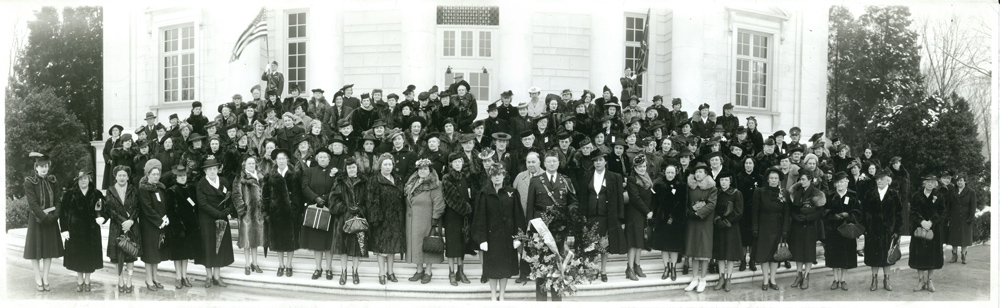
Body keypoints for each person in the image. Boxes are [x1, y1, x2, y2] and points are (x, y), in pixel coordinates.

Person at [526, 150, 578, 301]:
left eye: (554, 161)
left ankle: (557, 299)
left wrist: (570, 212)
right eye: (548, 161)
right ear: (543, 163)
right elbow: (530, 207)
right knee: (540, 264)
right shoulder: (536, 181)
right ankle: (541, 300)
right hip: (540, 226)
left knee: (558, 262)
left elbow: (574, 201)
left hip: (560, 228)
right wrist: (529, 230)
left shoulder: (565, 180)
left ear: (559, 163)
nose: (551, 163)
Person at [473, 162, 526, 301]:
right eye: (494, 175)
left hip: (508, 238)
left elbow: (518, 216)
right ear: (490, 177)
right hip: (491, 238)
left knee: (504, 269)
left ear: (504, 176)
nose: (497, 178)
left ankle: (501, 295)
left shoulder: (512, 193)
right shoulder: (484, 193)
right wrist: (482, 239)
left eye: (500, 175)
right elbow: (479, 218)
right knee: (492, 269)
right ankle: (492, 295)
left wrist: (518, 237)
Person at [579, 149, 626, 281]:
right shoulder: (587, 176)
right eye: (595, 161)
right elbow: (583, 198)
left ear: (605, 161)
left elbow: (620, 199)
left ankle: (603, 270)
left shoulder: (614, 177)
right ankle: (593, 269)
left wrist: (620, 217)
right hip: (591, 216)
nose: (598, 163)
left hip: (607, 216)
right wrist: (582, 216)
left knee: (604, 244)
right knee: (592, 244)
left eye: (600, 160)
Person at [22, 152, 64, 292]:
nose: (44, 169)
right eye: (41, 166)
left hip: (51, 220)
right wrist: (44, 217)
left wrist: (55, 216)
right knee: (36, 250)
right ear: (36, 168)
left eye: (46, 166)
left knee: (48, 250)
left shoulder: (53, 180)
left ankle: (46, 277)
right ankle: (37, 278)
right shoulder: (29, 182)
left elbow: (58, 200)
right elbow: (32, 203)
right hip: (37, 220)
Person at [59, 169, 104, 292]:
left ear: (89, 179)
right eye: (80, 178)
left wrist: (102, 217)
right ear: (77, 180)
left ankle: (88, 281)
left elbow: (104, 208)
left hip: (91, 231)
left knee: (90, 256)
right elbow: (63, 213)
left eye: (85, 178)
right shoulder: (69, 194)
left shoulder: (97, 194)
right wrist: (64, 229)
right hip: (75, 231)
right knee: (78, 256)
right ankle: (79, 281)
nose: (83, 180)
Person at [403, 159, 447, 284]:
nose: (422, 171)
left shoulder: (435, 184)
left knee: (428, 245)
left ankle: (428, 271)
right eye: (420, 169)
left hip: (428, 219)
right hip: (412, 220)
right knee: (416, 245)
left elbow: (439, 202)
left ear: (430, 171)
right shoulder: (412, 183)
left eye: (425, 169)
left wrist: (435, 219)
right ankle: (419, 270)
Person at [196, 158, 237, 288]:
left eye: (214, 169)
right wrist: (218, 214)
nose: (213, 171)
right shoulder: (201, 183)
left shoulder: (224, 181)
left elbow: (230, 199)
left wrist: (228, 210)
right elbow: (202, 204)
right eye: (210, 169)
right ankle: (208, 277)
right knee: (208, 247)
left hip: (222, 218)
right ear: (205, 171)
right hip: (207, 220)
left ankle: (217, 277)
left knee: (220, 247)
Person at [299, 149, 338, 280]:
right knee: (316, 242)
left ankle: (329, 268)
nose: (322, 159)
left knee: (328, 242)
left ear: (329, 159)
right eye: (320, 157)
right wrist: (316, 198)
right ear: (316, 159)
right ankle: (318, 268)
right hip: (314, 209)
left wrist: (325, 198)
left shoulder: (334, 172)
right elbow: (304, 187)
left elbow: (336, 187)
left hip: (329, 209)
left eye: (325, 157)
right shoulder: (309, 171)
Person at [367, 153, 407, 285]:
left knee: (392, 247)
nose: (388, 167)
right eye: (385, 164)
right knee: (381, 248)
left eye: (390, 164)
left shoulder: (398, 179)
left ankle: (391, 272)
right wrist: (375, 219)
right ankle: (381, 273)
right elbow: (372, 200)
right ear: (380, 166)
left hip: (396, 218)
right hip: (381, 219)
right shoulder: (375, 180)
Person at [262, 148, 301, 277]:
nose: (281, 161)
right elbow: (265, 196)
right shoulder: (269, 176)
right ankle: (281, 265)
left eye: (283, 158)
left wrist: (296, 210)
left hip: (290, 214)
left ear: (287, 160)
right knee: (278, 241)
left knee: (291, 241)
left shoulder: (294, 175)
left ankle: (289, 265)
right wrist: (266, 213)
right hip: (276, 214)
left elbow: (298, 196)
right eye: (279, 158)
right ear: (275, 161)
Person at [862, 170, 902, 291]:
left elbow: (899, 214)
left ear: (887, 180)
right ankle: (874, 280)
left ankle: (887, 280)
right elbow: (864, 212)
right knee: (874, 257)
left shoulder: (894, 194)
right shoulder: (870, 194)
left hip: (888, 231)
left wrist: (897, 231)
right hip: (873, 231)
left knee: (887, 257)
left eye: (881, 179)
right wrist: (866, 229)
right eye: (877, 179)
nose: (878, 181)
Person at [786, 172, 826, 290]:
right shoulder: (796, 191)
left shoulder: (816, 193)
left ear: (810, 180)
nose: (801, 182)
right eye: (800, 179)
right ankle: (798, 276)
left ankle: (807, 276)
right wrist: (795, 216)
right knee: (798, 252)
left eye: (803, 179)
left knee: (808, 253)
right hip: (797, 226)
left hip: (810, 226)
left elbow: (820, 211)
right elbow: (792, 208)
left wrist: (807, 217)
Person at [753, 167, 791, 291]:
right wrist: (755, 227)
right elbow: (755, 211)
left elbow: (786, 212)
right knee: (764, 254)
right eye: (771, 178)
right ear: (767, 180)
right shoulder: (760, 192)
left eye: (776, 178)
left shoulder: (784, 193)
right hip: (764, 226)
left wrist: (785, 229)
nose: (773, 180)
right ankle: (765, 279)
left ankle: (773, 280)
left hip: (778, 226)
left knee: (775, 255)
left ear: (779, 180)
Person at [682, 163, 718, 293]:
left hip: (705, 222)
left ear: (706, 174)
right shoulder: (690, 187)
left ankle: (703, 279)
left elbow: (712, 204)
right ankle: (694, 278)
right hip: (692, 222)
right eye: (696, 172)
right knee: (693, 251)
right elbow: (685, 202)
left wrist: (699, 214)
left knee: (703, 252)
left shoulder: (712, 188)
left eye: (701, 172)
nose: (698, 174)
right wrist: (689, 212)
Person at [164, 164, 200, 289]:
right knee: (178, 254)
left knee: (185, 254)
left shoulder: (190, 188)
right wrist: (178, 228)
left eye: (184, 175)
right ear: (176, 177)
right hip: (178, 228)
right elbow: (171, 211)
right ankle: (178, 277)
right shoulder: (171, 190)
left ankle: (185, 276)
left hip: (189, 227)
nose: (183, 178)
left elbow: (194, 207)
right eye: (180, 176)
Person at [136, 159, 170, 291]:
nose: (156, 176)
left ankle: (155, 278)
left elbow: (163, 205)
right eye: (153, 174)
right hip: (149, 226)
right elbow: (147, 209)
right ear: (148, 174)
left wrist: (166, 217)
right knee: (150, 254)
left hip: (160, 225)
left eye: (158, 174)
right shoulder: (144, 189)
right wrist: (159, 221)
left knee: (157, 253)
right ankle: (148, 279)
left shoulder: (160, 188)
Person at [440, 153, 474, 286]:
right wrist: (467, 208)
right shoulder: (447, 178)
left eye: (460, 161)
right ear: (451, 164)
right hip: (452, 216)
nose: (458, 164)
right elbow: (452, 197)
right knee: (452, 245)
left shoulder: (466, 177)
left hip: (464, 217)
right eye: (455, 162)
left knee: (462, 244)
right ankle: (452, 272)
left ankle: (461, 271)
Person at [909, 174, 946, 292]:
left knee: (932, 257)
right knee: (919, 256)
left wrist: (931, 222)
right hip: (919, 230)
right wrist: (921, 221)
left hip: (933, 230)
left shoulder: (939, 196)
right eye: (928, 181)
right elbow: (912, 211)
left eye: (932, 181)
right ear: (924, 183)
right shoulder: (916, 195)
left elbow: (942, 212)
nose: (930, 183)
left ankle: (930, 281)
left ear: (936, 183)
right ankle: (921, 280)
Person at [825, 171, 860, 290]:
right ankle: (835, 279)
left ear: (846, 182)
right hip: (833, 230)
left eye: (841, 182)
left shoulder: (853, 195)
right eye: (837, 183)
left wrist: (848, 215)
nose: (839, 185)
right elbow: (825, 211)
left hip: (847, 230)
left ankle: (843, 280)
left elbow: (858, 211)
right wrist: (833, 216)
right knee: (834, 255)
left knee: (846, 255)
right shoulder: (830, 195)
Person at [651, 164, 686, 280]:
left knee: (674, 246)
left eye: (672, 172)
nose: (670, 175)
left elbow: (682, 204)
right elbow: (655, 203)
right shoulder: (659, 186)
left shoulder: (681, 186)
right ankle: (666, 267)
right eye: (668, 172)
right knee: (664, 246)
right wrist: (655, 217)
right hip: (661, 220)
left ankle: (673, 268)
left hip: (675, 220)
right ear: (664, 173)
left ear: (675, 173)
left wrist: (674, 217)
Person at [335, 158, 368, 285]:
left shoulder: (364, 182)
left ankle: (355, 271)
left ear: (357, 168)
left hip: (358, 219)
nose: (351, 170)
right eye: (349, 168)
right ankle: (344, 271)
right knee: (342, 247)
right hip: (343, 219)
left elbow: (368, 200)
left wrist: (360, 209)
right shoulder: (339, 181)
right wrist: (345, 208)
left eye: (353, 167)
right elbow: (333, 199)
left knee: (356, 248)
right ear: (346, 169)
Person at [233, 156, 266, 275]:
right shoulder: (240, 178)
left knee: (255, 240)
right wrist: (242, 209)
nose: (251, 165)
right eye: (249, 163)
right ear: (244, 165)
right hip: (246, 214)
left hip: (258, 214)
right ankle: (247, 264)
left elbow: (265, 193)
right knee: (246, 240)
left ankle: (255, 263)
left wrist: (263, 209)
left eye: (253, 163)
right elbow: (236, 195)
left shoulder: (261, 177)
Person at [711, 171, 743, 292]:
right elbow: (712, 208)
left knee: (729, 254)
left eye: (726, 180)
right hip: (719, 227)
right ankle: (721, 277)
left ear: (730, 181)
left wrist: (728, 221)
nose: (723, 182)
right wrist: (717, 219)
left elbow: (739, 211)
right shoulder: (716, 193)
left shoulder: (736, 193)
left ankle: (729, 278)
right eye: (721, 180)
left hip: (731, 227)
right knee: (720, 254)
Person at [625, 155, 655, 280]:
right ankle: (630, 268)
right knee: (633, 242)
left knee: (640, 242)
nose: (642, 169)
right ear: (635, 167)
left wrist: (650, 211)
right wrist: (647, 211)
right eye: (639, 166)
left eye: (644, 166)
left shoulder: (647, 178)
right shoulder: (632, 179)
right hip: (634, 214)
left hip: (643, 214)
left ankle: (637, 266)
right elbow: (635, 198)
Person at [734, 157, 761, 272]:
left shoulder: (759, 178)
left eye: (750, 163)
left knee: (754, 237)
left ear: (754, 165)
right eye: (746, 163)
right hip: (743, 212)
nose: (748, 165)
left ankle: (753, 260)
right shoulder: (738, 177)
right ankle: (743, 260)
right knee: (744, 238)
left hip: (755, 212)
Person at [946, 173, 977, 264]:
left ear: (965, 181)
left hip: (965, 219)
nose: (959, 182)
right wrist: (948, 217)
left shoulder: (971, 192)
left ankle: (963, 256)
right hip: (954, 218)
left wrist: (970, 218)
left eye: (961, 180)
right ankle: (954, 255)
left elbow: (973, 206)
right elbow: (949, 205)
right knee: (954, 238)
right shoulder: (952, 191)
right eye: (957, 181)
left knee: (965, 238)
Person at [103, 124, 125, 189]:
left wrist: (114, 161)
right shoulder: (108, 141)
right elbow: (104, 152)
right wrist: (108, 160)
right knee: (108, 180)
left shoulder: (121, 141)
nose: (115, 132)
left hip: (117, 164)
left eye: (116, 130)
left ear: (119, 132)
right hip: (109, 165)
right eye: (113, 130)